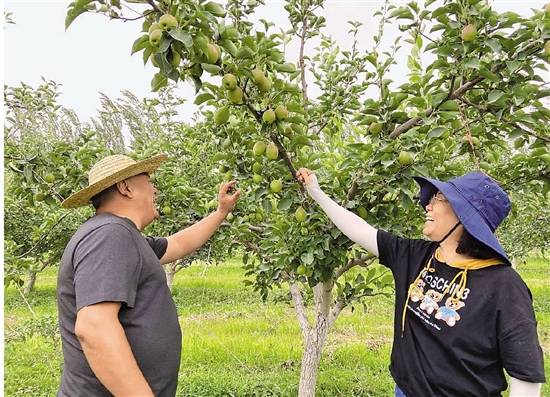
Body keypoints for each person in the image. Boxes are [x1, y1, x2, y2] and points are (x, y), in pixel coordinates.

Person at [296, 168, 545, 397]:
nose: (427, 204)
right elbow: (359, 229)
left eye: (438, 199)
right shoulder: (418, 256)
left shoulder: (504, 285)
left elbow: (525, 373)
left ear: (464, 215)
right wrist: (316, 192)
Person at [57, 153, 240, 397]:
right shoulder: (110, 236)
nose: (155, 189)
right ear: (126, 187)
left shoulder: (124, 236)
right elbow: (94, 327)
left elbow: (178, 244)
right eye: (149, 180)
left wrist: (220, 212)